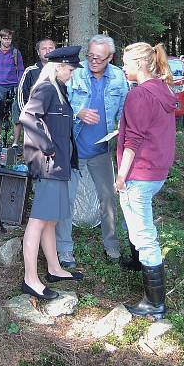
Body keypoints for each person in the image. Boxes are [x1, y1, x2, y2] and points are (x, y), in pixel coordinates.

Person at [115, 42, 176, 319]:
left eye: (125, 62)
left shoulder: (139, 95)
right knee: (139, 230)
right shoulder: (163, 90)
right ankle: (140, 266)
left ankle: (155, 304)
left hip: (139, 173)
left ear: (140, 64)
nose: (122, 67)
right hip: (156, 171)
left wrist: (121, 174)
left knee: (145, 236)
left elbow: (133, 140)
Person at [57, 34, 129, 267]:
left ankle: (111, 244)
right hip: (74, 149)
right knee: (66, 200)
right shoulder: (75, 74)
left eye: (99, 57)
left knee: (108, 198)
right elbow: (59, 103)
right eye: (90, 56)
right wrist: (78, 112)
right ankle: (65, 249)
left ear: (110, 57)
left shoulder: (119, 77)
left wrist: (122, 134)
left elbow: (125, 113)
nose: (93, 61)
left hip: (102, 150)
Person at [19, 46, 84, 301]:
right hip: (49, 165)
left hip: (60, 165)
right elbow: (28, 116)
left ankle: (54, 268)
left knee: (51, 218)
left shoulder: (60, 90)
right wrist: (47, 147)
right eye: (69, 69)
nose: (71, 73)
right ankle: (30, 279)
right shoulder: (46, 88)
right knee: (38, 221)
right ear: (57, 67)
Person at [0, 28, 24, 152]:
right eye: (5, 38)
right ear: (0, 38)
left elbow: (21, 70)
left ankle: (15, 144)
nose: (7, 41)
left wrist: (19, 87)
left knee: (16, 116)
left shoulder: (16, 53)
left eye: (9, 39)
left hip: (14, 87)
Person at [17, 38, 56, 110]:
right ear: (38, 52)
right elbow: (22, 97)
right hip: (36, 116)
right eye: (44, 49)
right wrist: (26, 117)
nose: (48, 51)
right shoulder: (30, 71)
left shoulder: (63, 70)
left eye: (51, 48)